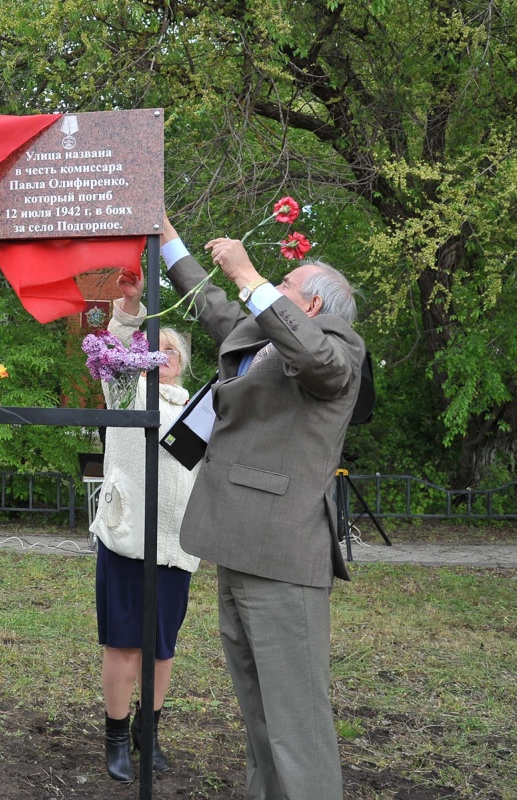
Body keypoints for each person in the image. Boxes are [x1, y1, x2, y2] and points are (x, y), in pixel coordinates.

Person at [161, 217, 364, 800]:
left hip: (282, 559)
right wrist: (166, 235)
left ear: (315, 301)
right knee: (261, 721)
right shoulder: (266, 338)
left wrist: (250, 273)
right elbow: (210, 303)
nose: (273, 284)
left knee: (296, 727)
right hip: (235, 545)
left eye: (287, 282)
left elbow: (315, 358)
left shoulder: (337, 350)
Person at [89, 270, 199, 782]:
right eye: (152, 348)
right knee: (124, 643)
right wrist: (129, 310)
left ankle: (147, 734)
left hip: (177, 544)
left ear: (182, 366)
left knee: (160, 647)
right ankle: (115, 736)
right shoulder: (128, 394)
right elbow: (113, 360)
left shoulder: (202, 411)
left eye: (170, 351)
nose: (161, 355)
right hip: (128, 538)